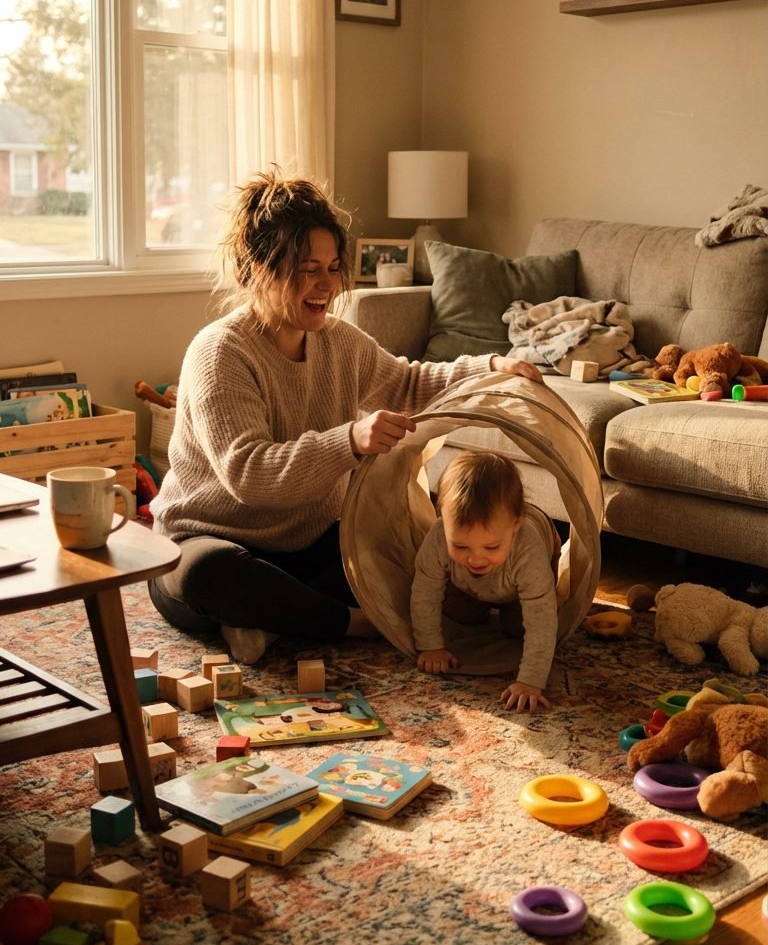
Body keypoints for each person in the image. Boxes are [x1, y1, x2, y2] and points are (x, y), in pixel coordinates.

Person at [148, 171, 543, 664]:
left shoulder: (339, 341)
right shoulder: (220, 352)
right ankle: (348, 623)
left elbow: (409, 384)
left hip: (304, 546)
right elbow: (250, 475)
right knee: (211, 575)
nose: (326, 285)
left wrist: (490, 365)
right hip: (207, 540)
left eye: (333, 267)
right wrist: (350, 440)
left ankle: (270, 622)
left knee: (396, 551)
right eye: (307, 269)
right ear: (257, 269)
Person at [410, 450, 561, 715]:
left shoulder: (529, 550)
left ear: (515, 524)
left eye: (491, 546)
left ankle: (504, 607)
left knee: (518, 628)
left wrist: (530, 680)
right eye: (461, 545)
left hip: (521, 582)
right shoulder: (436, 538)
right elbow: (425, 592)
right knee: (460, 615)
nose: (476, 558)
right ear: (442, 520)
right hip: (470, 585)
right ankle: (479, 602)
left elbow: (542, 617)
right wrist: (431, 646)